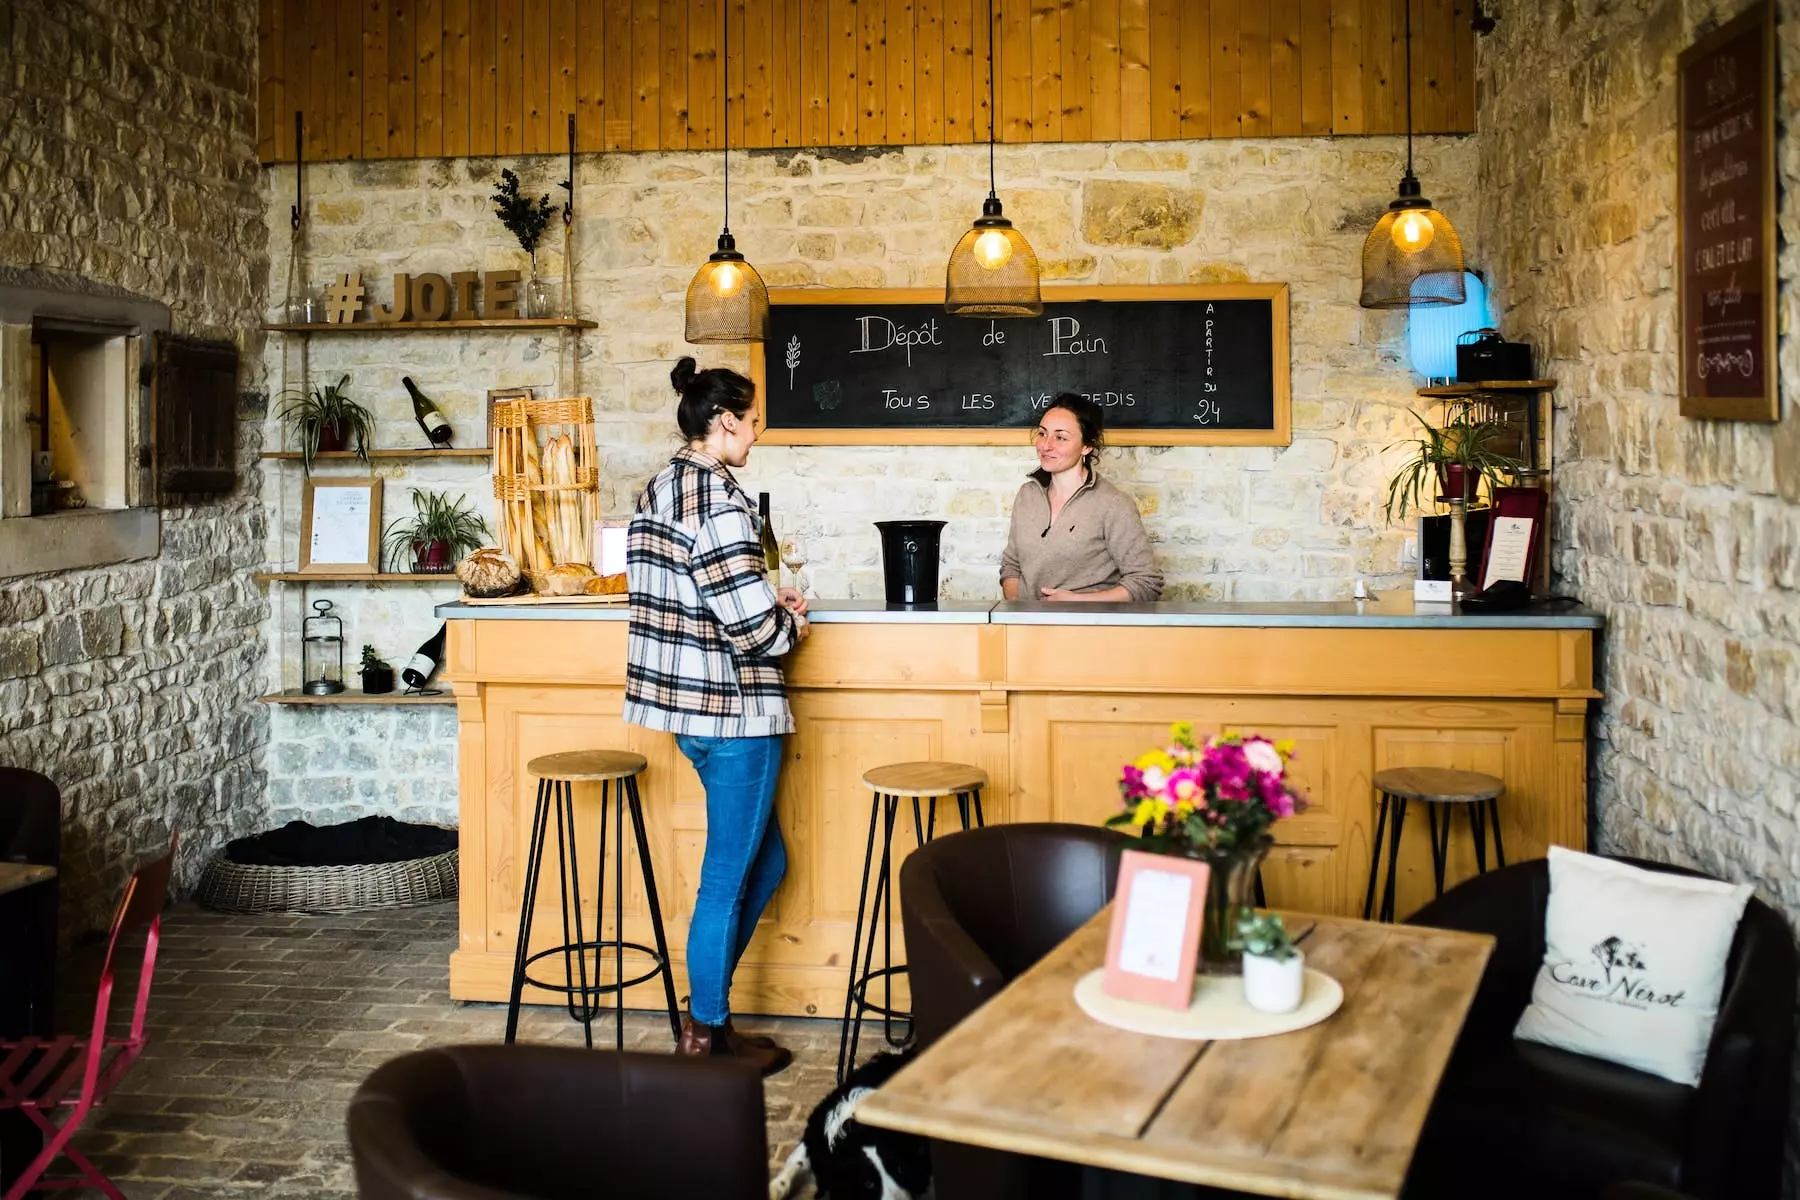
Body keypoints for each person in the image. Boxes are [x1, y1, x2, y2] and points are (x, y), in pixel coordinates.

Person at [624, 356, 808, 1076]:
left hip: (685, 713)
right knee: (727, 878)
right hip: (734, 714)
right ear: (724, 421)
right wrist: (791, 621)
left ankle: (706, 1007)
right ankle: (704, 1034)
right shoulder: (722, 503)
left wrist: (760, 599)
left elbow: (695, 596)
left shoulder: (659, 487)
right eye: (752, 420)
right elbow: (756, 632)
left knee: (768, 861)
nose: (757, 432)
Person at [1000, 393, 1164, 602]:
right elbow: (1011, 565)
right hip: (1028, 622)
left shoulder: (1113, 504)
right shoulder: (1027, 495)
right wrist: (1017, 608)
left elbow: (1146, 583)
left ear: (1087, 446)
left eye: (1060, 437)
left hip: (1086, 622)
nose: (1045, 445)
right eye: (1042, 433)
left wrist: (1077, 601)